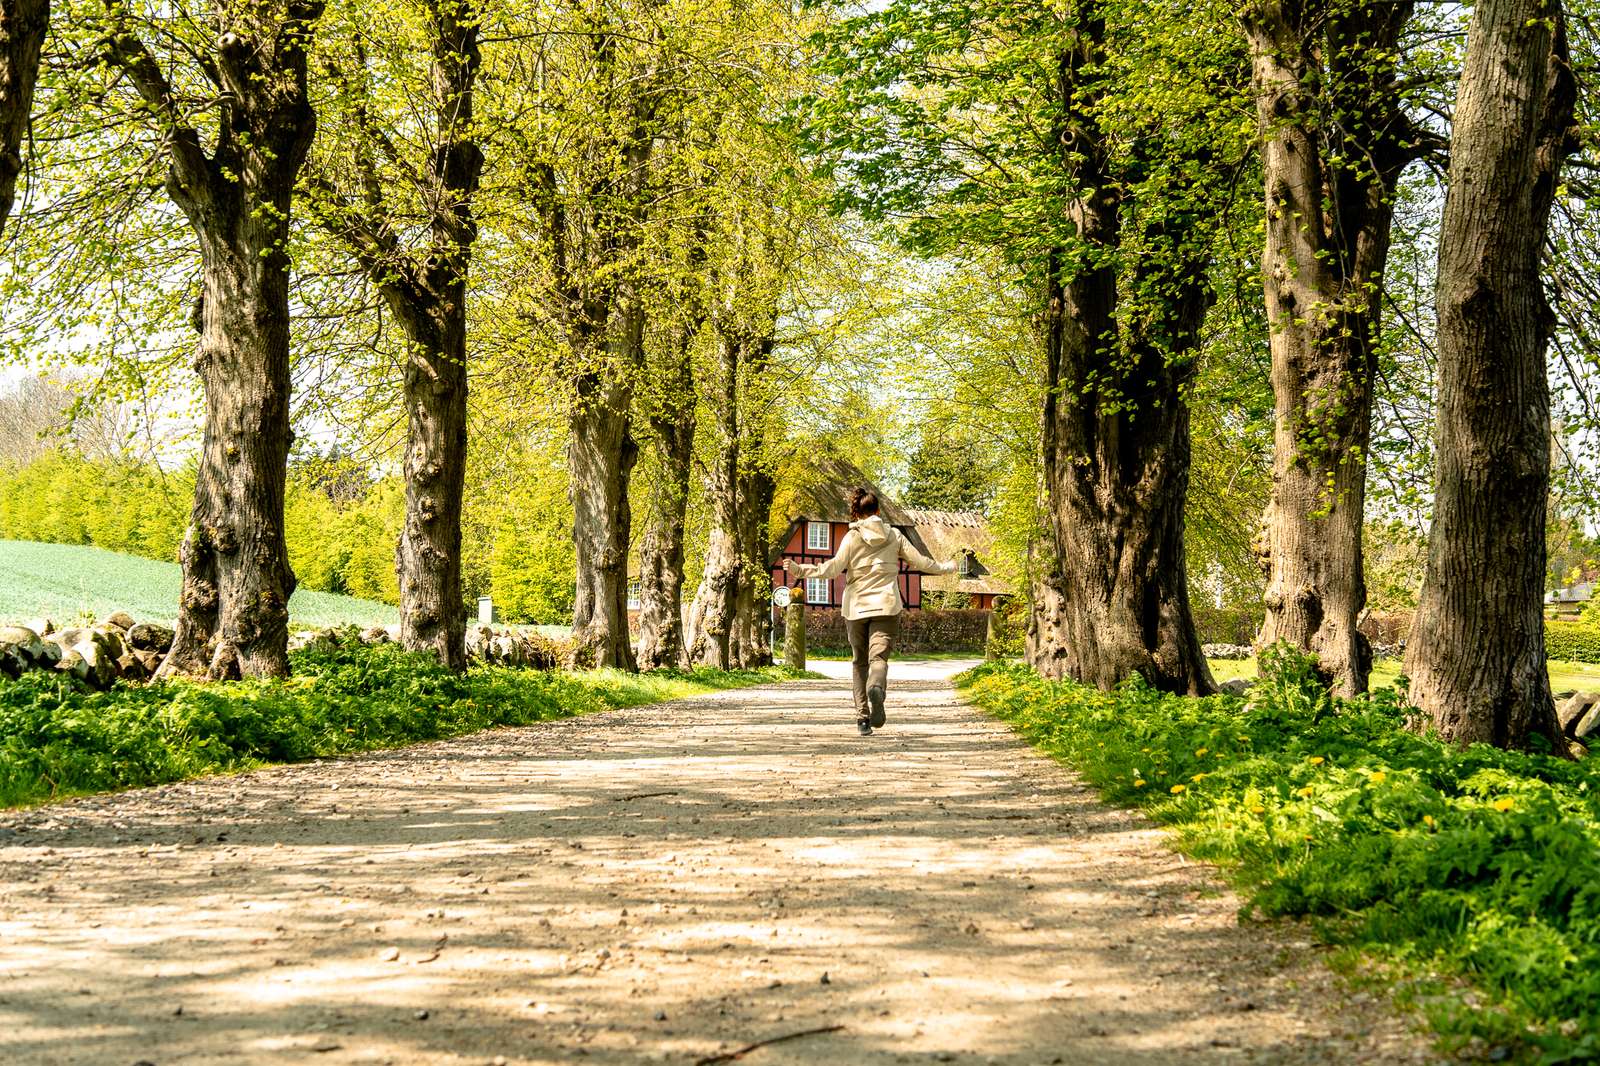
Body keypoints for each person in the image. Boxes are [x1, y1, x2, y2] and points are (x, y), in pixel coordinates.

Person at [784, 488, 957, 735]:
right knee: (879, 659)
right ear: (878, 510)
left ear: (858, 512)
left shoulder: (851, 537)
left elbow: (832, 569)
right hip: (886, 605)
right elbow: (921, 563)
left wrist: (801, 570)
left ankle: (863, 719)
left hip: (856, 607)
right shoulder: (894, 535)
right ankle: (876, 686)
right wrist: (947, 567)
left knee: (859, 662)